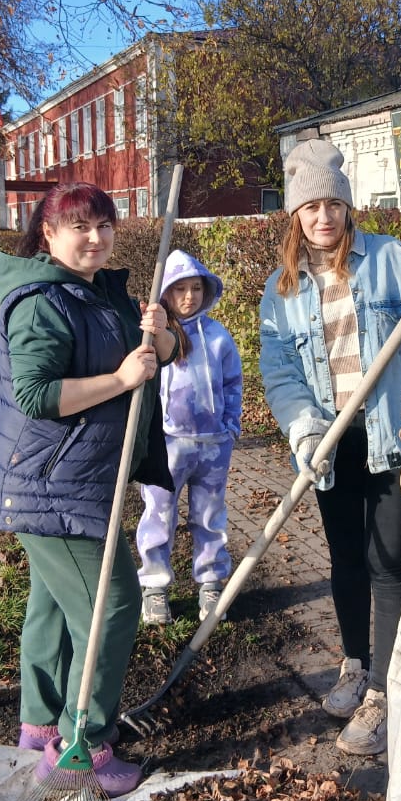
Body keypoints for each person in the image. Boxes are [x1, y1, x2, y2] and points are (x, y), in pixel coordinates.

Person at [0, 181, 178, 797]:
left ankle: (39, 723)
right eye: (80, 227)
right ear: (48, 234)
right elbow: (38, 396)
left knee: (53, 604)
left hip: (68, 480)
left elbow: (157, 357)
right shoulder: (42, 301)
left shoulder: (97, 292)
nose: (96, 238)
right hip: (49, 485)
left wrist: (161, 334)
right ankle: (81, 746)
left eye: (105, 225)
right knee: (111, 602)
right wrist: (120, 378)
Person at [259, 140, 401, 756]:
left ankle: (384, 690)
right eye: (311, 208)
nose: (324, 218)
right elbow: (280, 371)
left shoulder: (392, 261)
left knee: (389, 561)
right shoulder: (280, 292)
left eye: (333, 204)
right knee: (345, 560)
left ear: (348, 207)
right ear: (295, 217)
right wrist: (304, 428)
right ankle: (354, 664)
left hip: (389, 439)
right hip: (329, 444)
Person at [135, 250, 242, 626]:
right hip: (167, 444)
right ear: (165, 294)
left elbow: (232, 382)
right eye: (179, 289)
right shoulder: (154, 337)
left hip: (213, 445)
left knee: (209, 516)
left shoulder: (217, 336)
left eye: (196, 288)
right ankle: (154, 586)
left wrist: (230, 424)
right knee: (158, 515)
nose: (189, 297)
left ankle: (211, 583)